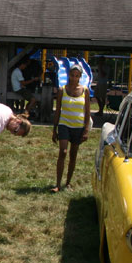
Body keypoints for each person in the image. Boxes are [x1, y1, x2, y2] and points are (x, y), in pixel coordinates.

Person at [51, 63, 91, 192]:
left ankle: (68, 182)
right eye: (72, 75)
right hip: (64, 124)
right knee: (63, 152)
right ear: (68, 75)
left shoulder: (85, 90)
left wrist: (86, 130)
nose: (74, 78)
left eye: (77, 76)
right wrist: (54, 129)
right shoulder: (62, 90)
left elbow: (87, 112)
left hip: (78, 126)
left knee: (73, 155)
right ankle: (57, 184)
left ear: (80, 76)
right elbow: (57, 111)